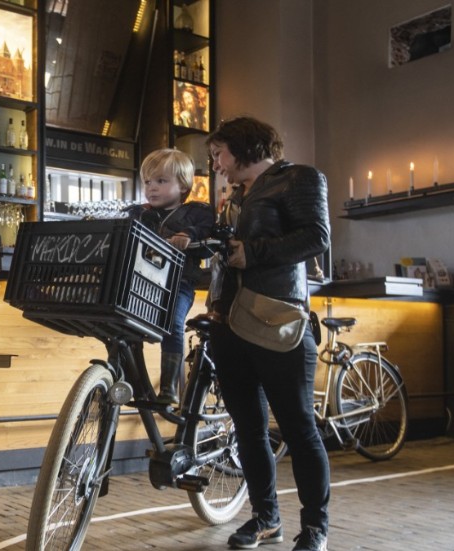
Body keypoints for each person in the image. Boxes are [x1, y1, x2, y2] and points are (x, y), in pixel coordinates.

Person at [204, 117, 331, 551]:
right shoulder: (233, 197)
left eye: (219, 153)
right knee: (248, 429)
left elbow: (316, 237)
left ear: (243, 147)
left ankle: (315, 528)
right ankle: (265, 518)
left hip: (278, 319)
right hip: (230, 323)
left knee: (299, 429)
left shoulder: (298, 177)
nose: (216, 163)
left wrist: (251, 253)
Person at [127, 148, 214, 404]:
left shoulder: (196, 213)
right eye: (147, 182)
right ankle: (135, 384)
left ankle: (169, 388)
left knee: (173, 325)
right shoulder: (140, 213)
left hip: (179, 283)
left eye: (161, 181)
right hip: (143, 282)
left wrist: (188, 235)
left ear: (184, 186)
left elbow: (205, 229)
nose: (151, 188)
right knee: (126, 325)